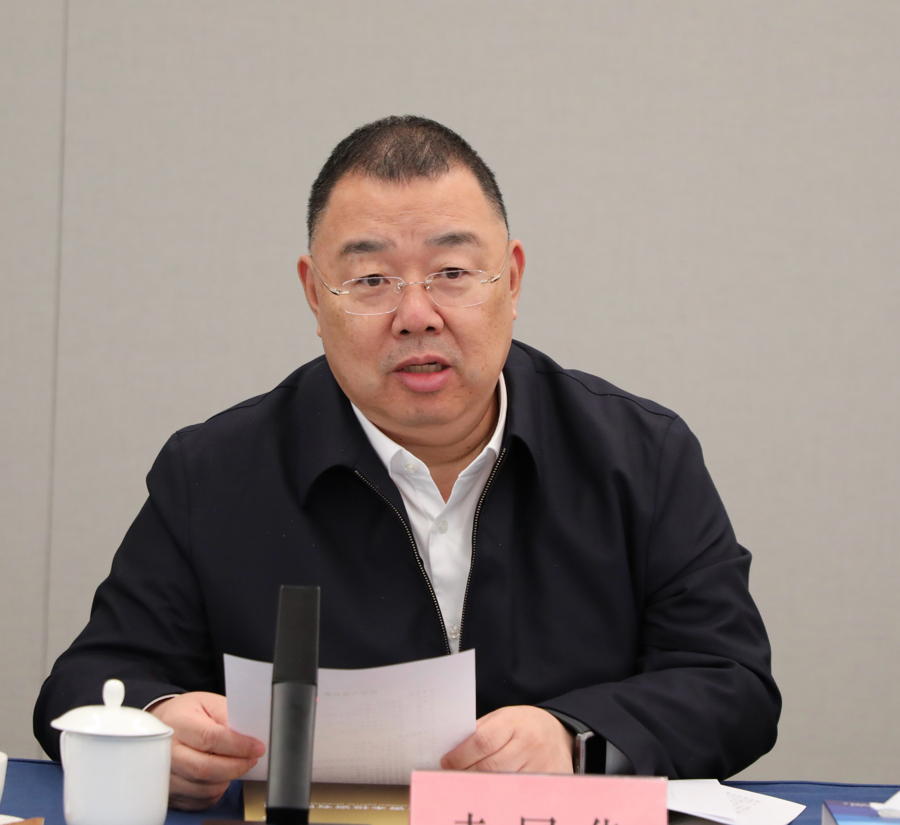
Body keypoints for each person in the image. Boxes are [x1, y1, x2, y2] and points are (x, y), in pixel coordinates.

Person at [34, 115, 780, 810]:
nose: (417, 315)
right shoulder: (215, 473)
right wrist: (157, 723)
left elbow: (733, 685)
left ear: (512, 279)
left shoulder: (639, 456)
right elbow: (87, 681)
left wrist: (574, 737)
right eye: (372, 280)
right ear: (314, 294)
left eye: (452, 272)